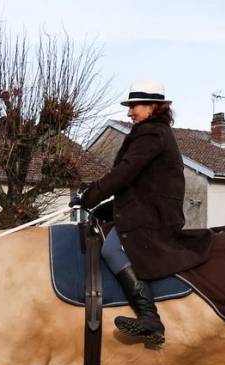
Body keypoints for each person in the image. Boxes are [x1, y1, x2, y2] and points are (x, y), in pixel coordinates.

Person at [80, 80, 212, 345]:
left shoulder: (151, 133)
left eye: (135, 106)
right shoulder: (153, 132)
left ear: (153, 106)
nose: (130, 112)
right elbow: (138, 187)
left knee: (111, 250)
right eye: (130, 107)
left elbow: (125, 172)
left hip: (153, 217)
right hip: (147, 208)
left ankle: (149, 317)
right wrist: (101, 207)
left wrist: (90, 196)